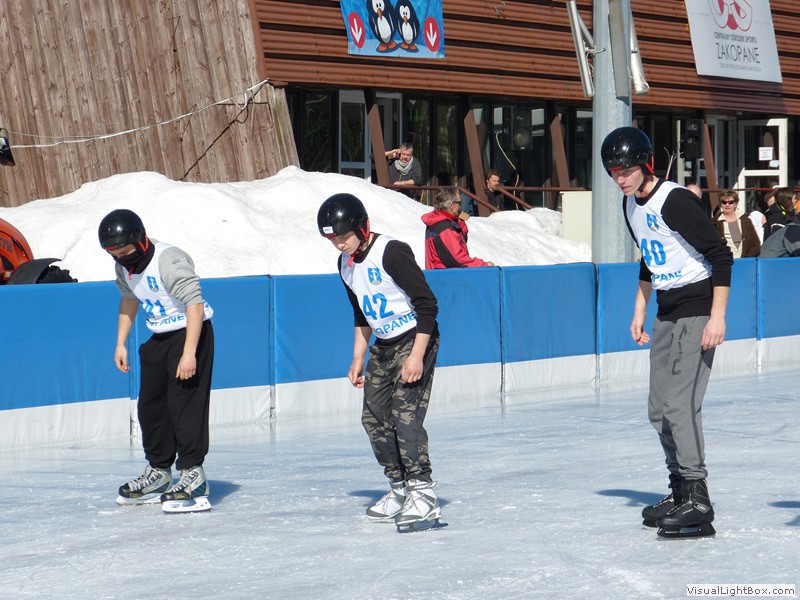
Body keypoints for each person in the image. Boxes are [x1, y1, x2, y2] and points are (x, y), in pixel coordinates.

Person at [601, 127, 733, 539]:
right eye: (613, 172)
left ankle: (698, 497)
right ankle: (679, 490)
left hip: (697, 308)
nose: (620, 178)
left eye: (626, 170)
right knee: (658, 409)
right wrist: (639, 308)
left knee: (680, 405)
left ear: (645, 165)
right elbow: (649, 257)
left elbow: (721, 255)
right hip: (667, 310)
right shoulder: (630, 204)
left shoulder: (674, 200)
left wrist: (717, 317)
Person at [316, 193, 444, 532]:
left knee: (404, 416)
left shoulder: (392, 252)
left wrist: (417, 355)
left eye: (344, 236)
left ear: (363, 227)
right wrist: (357, 356)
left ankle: (423, 492)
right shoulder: (344, 264)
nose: (339, 244)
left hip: (415, 339)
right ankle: (400, 488)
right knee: (373, 419)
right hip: (383, 346)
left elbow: (427, 305)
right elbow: (361, 313)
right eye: (333, 239)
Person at [99, 209, 215, 514]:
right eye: (114, 254)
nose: (121, 259)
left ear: (140, 240)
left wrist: (189, 352)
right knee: (151, 407)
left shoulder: (168, 259)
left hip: (190, 332)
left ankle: (193, 474)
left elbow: (194, 303)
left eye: (125, 252)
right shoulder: (123, 266)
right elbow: (129, 299)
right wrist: (121, 343)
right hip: (159, 337)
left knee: (184, 406)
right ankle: (160, 473)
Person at [421, 186, 494, 269]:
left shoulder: (441, 221)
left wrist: (460, 222)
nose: (461, 207)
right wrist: (483, 265)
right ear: (451, 205)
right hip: (445, 275)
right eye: (459, 203)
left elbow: (460, 243)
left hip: (441, 273)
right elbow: (458, 259)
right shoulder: (444, 227)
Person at [713, 189, 761, 258]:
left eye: (731, 202)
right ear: (720, 204)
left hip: (744, 261)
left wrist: (746, 259)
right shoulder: (715, 222)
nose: (727, 205)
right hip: (725, 261)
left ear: (735, 204)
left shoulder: (746, 220)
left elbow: (755, 244)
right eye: (724, 202)